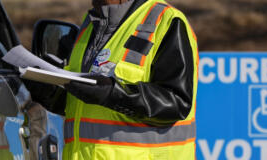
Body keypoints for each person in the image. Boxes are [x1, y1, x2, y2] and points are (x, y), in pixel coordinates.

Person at [62, 0, 199, 159]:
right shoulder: (89, 25)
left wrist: (113, 94)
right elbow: (78, 106)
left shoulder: (166, 19)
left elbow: (176, 102)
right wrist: (45, 90)